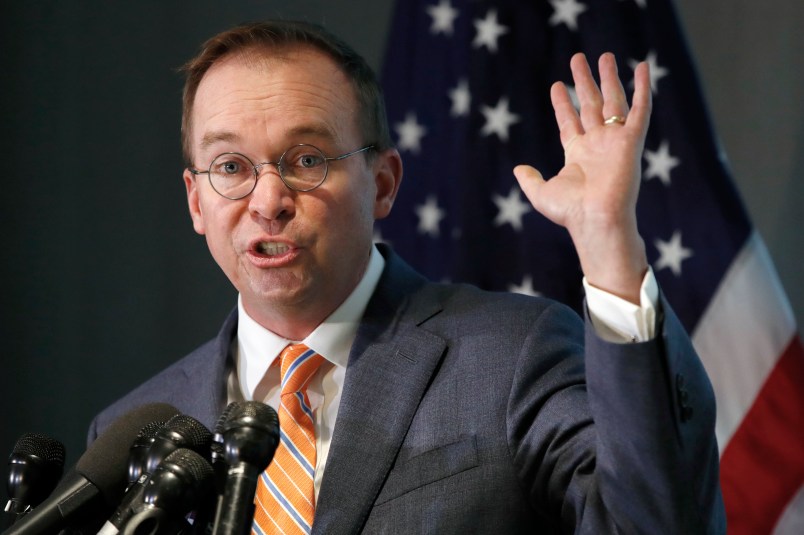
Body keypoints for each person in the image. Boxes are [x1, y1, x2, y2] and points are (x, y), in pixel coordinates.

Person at [89, 20, 725, 533]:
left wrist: (609, 242)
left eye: (307, 159)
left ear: (384, 183)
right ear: (197, 202)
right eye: (229, 166)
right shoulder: (132, 433)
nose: (268, 200)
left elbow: (657, 521)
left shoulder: (511, 356)